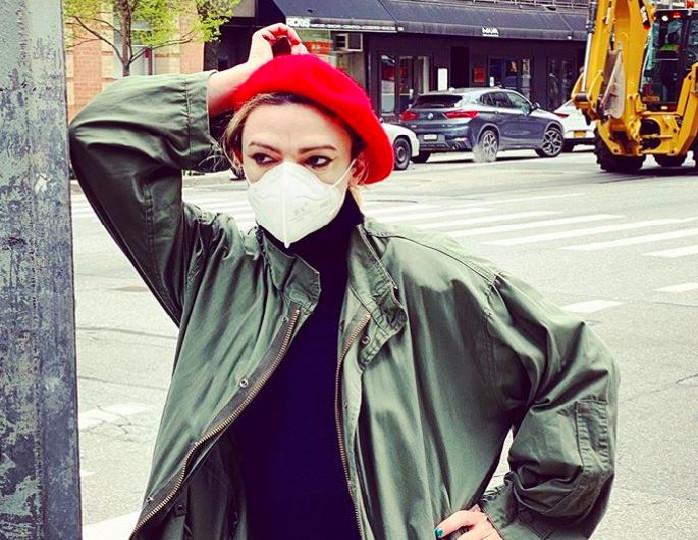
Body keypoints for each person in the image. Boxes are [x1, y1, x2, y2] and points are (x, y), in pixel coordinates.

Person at [68, 24, 619, 540]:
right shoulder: (210, 266)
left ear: (354, 165)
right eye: (264, 156)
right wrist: (239, 81)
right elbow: (104, 138)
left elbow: (574, 368)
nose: (287, 177)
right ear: (238, 158)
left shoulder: (427, 276)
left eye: (316, 159)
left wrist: (513, 521)